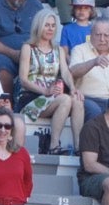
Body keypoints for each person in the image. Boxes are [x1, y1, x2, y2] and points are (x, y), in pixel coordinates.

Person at [17, 8, 84, 154]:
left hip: (52, 97)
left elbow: (65, 72)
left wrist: (72, 87)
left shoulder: (58, 49)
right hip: (31, 98)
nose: (50, 29)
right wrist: (45, 91)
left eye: (53, 26)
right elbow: (23, 79)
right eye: (47, 25)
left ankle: (79, 148)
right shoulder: (28, 48)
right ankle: (53, 146)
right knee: (65, 100)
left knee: (77, 100)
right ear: (39, 26)